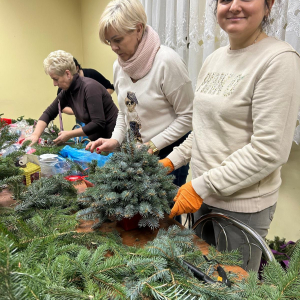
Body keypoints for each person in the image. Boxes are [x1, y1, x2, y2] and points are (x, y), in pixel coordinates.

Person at [160, 0, 300, 271]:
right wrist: (171, 161)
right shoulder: (214, 59)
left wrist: (200, 186)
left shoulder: (278, 59)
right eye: (225, 0)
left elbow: (268, 151)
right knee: (203, 279)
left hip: (242, 208)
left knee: (233, 288)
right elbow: (203, 130)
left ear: (269, 5)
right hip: (201, 198)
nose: (234, 6)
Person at [86, 0, 194, 190]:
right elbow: (125, 110)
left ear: (138, 29)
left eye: (117, 40)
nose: (113, 47)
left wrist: (152, 145)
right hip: (138, 152)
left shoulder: (167, 62)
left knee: (163, 218)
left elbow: (188, 116)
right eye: (109, 41)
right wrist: (115, 139)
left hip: (169, 155)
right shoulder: (119, 66)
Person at [26, 50, 118, 145]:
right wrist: (35, 135)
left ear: (68, 74)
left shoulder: (90, 87)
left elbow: (98, 123)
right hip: (99, 142)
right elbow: (49, 113)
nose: (54, 84)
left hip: (113, 143)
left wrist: (70, 134)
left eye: (56, 79)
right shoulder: (67, 92)